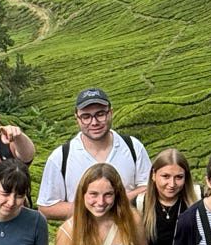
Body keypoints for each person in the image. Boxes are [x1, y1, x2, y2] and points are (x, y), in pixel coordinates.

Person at [37, 88, 151, 220]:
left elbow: (149, 186)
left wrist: (119, 201)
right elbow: (46, 207)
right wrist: (93, 206)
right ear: (77, 118)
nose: (94, 122)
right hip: (82, 236)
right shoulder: (61, 157)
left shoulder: (133, 147)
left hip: (127, 234)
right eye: (86, 117)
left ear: (110, 113)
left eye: (100, 114)